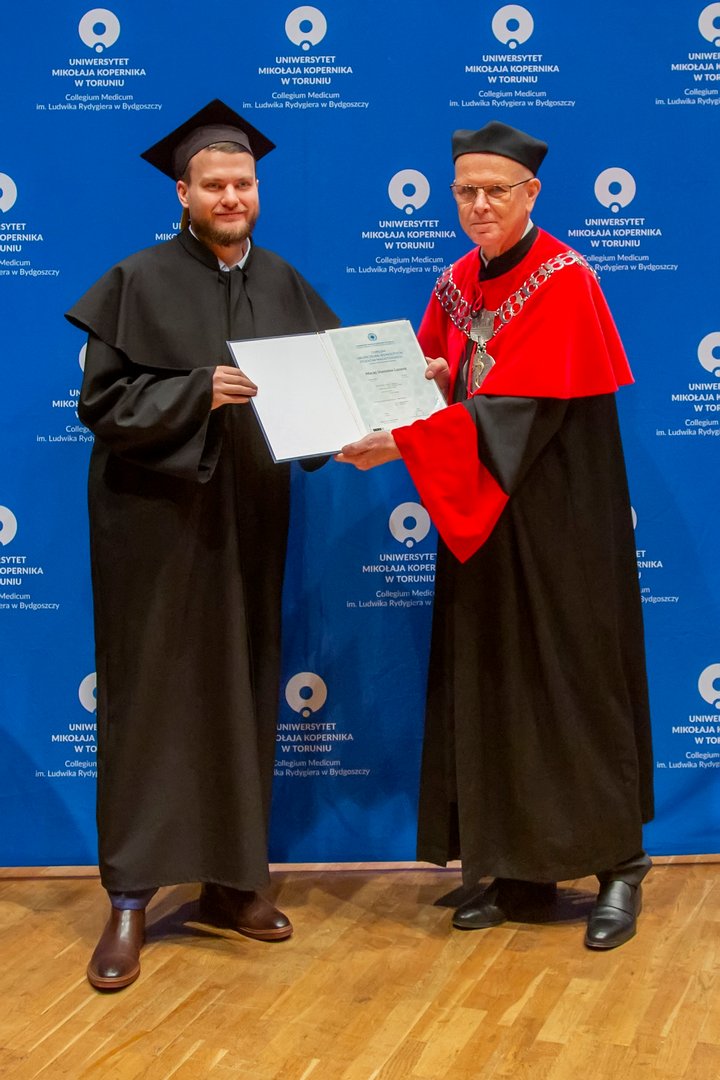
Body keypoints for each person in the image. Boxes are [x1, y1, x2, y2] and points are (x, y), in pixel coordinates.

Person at [336, 121, 653, 950]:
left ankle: (620, 866)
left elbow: (519, 412)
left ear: (531, 193)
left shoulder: (565, 280)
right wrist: (428, 385)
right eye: (466, 191)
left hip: (558, 520)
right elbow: (441, 380)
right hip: (481, 517)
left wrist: (406, 441)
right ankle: (517, 868)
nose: (479, 205)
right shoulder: (454, 284)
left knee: (575, 683)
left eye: (496, 190)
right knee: (496, 682)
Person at [66, 99, 338, 990]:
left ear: (258, 190)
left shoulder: (286, 283)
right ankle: (130, 898)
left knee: (244, 688)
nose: (231, 197)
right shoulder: (136, 280)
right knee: (150, 700)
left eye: (243, 183)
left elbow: (325, 398)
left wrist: (372, 419)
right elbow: (102, 406)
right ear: (182, 193)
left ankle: (233, 882)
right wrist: (196, 392)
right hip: (153, 529)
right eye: (214, 184)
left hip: (248, 522)